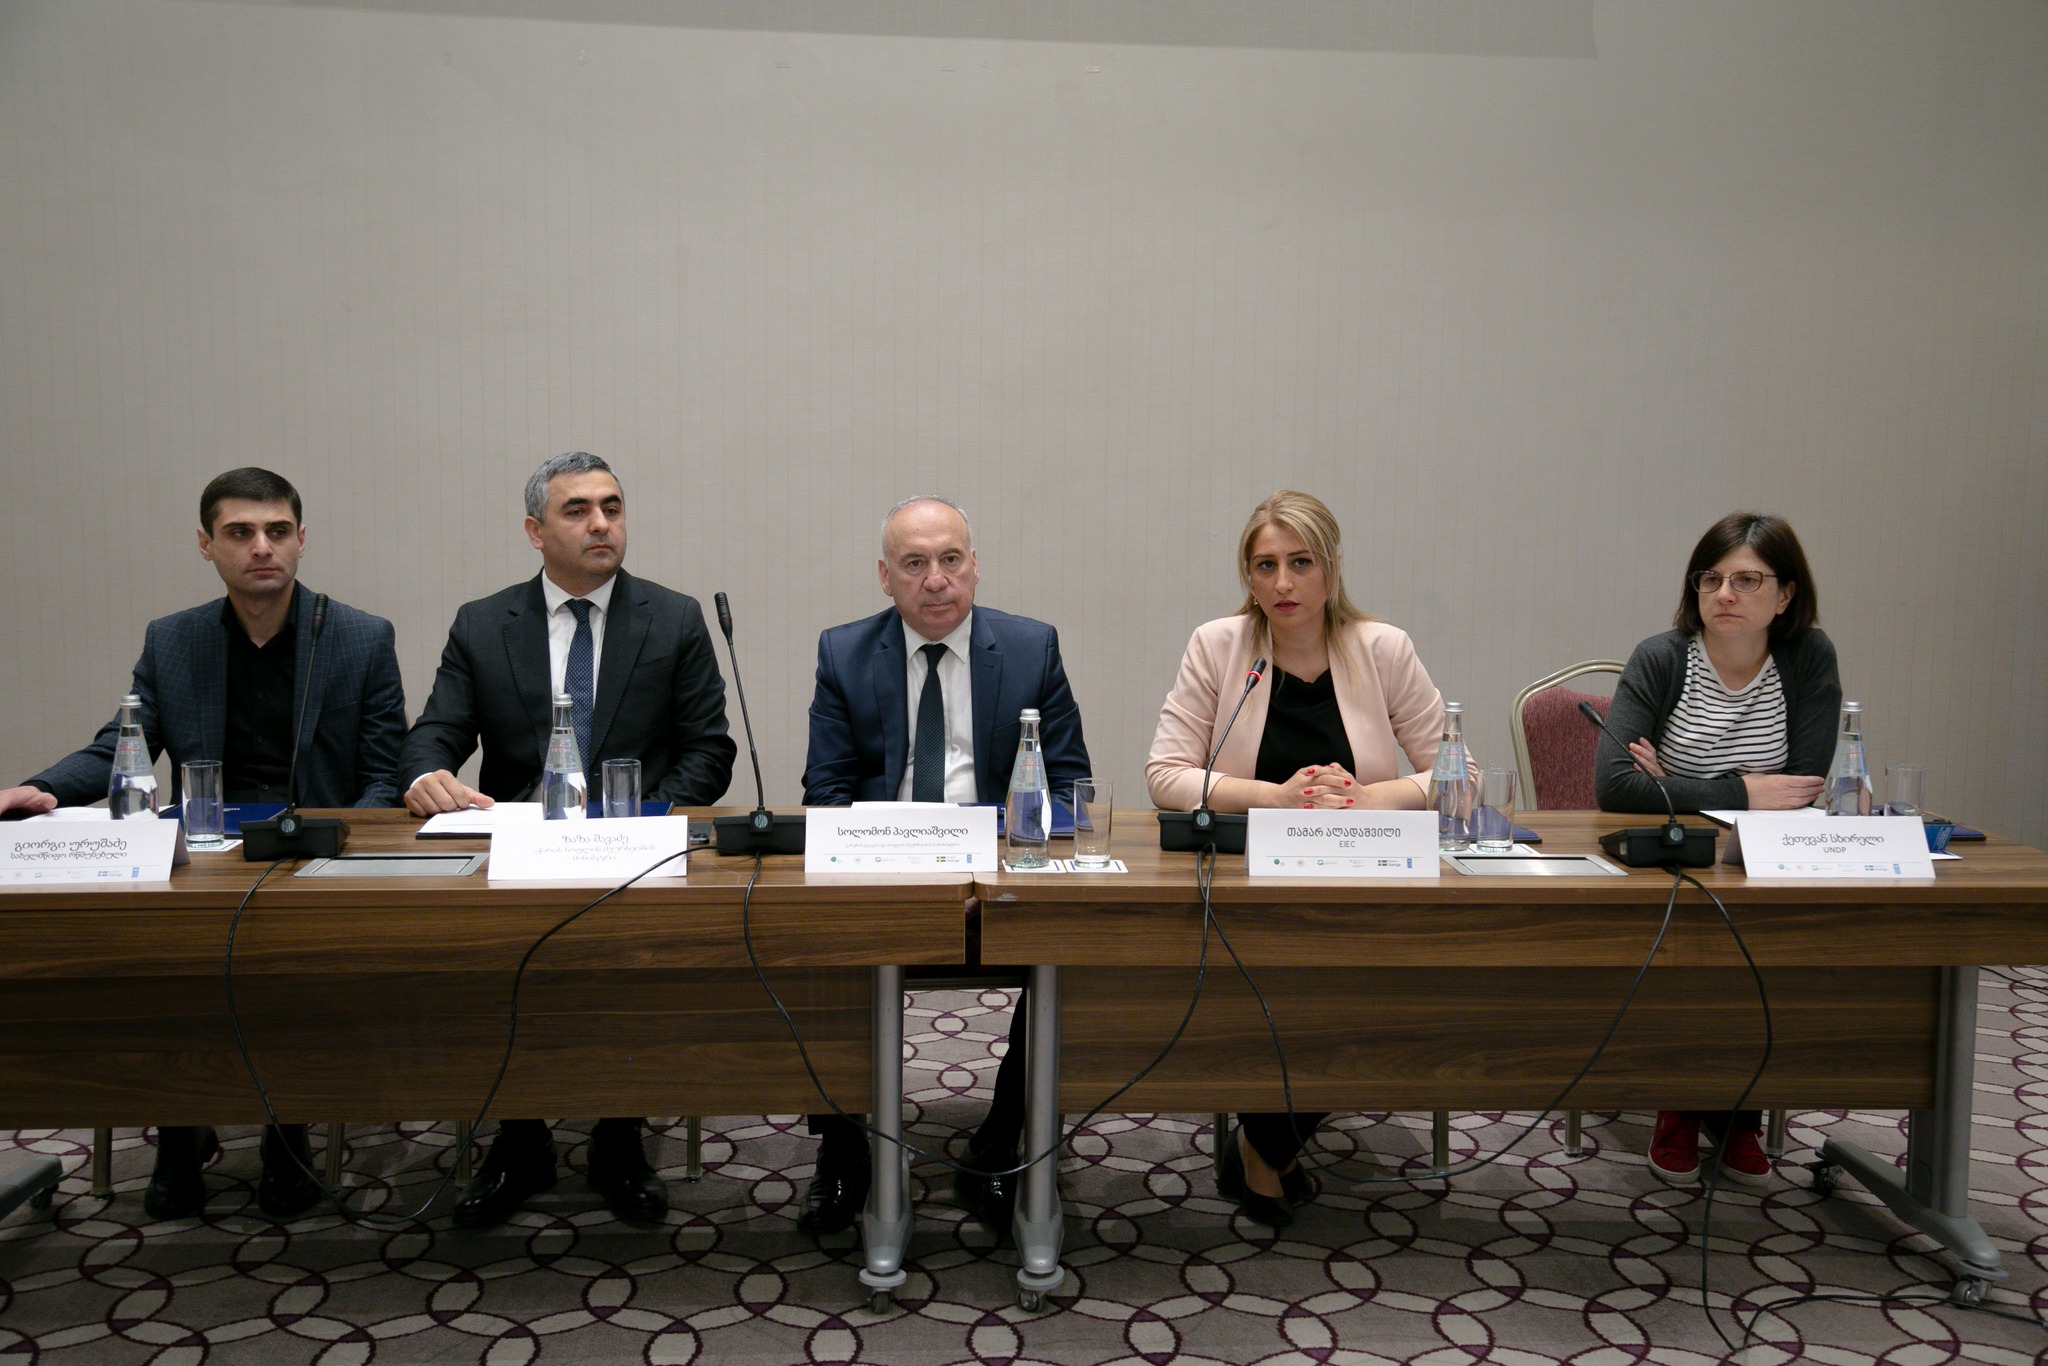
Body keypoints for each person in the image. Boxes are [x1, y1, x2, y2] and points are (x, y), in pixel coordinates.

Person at [0, 467, 407, 1222]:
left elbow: (383, 774)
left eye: (277, 532)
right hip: (202, 856)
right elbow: (119, 747)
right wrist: (39, 790)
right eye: (240, 533)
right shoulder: (175, 639)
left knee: (288, 968)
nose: (262, 548)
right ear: (206, 544)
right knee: (162, 962)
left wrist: (338, 851)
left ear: (302, 539)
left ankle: (287, 1131)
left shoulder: (359, 636)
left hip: (311, 857)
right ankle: (180, 1129)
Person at [398, 451, 737, 1226]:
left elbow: (708, 752)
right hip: (518, 854)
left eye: (612, 507)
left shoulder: (673, 618)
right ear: (535, 531)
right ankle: (519, 1139)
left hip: (634, 853)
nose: (600, 524)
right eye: (577, 510)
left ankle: (620, 1136)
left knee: (634, 967)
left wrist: (640, 819)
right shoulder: (484, 623)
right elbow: (436, 732)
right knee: (490, 963)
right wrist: (425, 776)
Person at [1146, 490, 1453, 1229]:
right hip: (1250, 886)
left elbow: (1457, 775)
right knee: (1283, 985)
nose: (1283, 583)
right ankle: (1268, 1147)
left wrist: (1369, 799)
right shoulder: (1219, 646)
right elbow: (1166, 774)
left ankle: (1262, 1141)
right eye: (1265, 566)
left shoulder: (1383, 648)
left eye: (1301, 563)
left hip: (1364, 879)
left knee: (1381, 993)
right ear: (1248, 576)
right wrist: (1274, 799)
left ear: (1332, 567)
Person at [798, 495, 1090, 1236]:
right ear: (885, 577)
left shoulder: (1030, 648)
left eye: (951, 560)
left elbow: (1069, 792)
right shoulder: (844, 653)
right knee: (812, 944)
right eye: (914, 564)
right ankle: (843, 1147)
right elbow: (825, 797)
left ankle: (999, 1142)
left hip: (997, 875)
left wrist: (982, 876)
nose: (936, 580)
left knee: (1075, 953)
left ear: (975, 566)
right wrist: (903, 880)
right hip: (883, 875)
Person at [1593, 511, 1840, 1187]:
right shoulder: (1662, 657)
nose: (1724, 594)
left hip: (1761, 860)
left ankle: (1737, 1110)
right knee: (1691, 939)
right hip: (1671, 861)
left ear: (1785, 595)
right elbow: (1614, 787)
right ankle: (1683, 1104)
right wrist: (1746, 790)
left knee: (1768, 944)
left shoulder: (1807, 658)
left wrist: (1672, 785)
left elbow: (1803, 788)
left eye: (1746, 580)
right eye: (1711, 579)